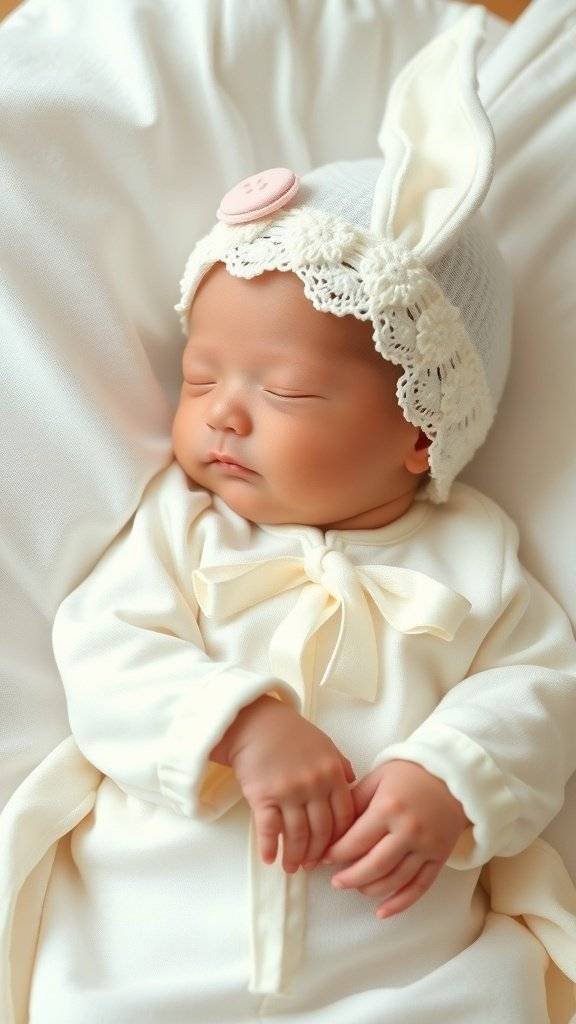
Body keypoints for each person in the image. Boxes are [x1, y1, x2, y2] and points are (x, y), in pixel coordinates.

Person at [2, 8, 576, 1023]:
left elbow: (544, 692)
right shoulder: (181, 531)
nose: (221, 411)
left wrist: (450, 776)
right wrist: (238, 723)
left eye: (286, 392)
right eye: (200, 376)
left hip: (409, 976)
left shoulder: (479, 556)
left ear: (419, 434)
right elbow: (101, 654)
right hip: (143, 964)